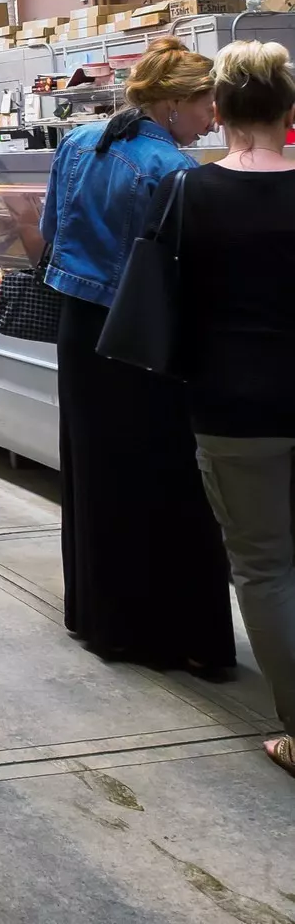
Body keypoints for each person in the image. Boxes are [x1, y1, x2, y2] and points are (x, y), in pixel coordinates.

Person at [40, 36, 233, 673]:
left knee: (95, 470)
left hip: (79, 327)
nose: (214, 117)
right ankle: (166, 633)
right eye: (207, 103)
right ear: (174, 104)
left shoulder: (76, 143)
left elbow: (49, 234)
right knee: (164, 478)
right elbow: (184, 270)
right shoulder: (173, 171)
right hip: (144, 335)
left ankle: (100, 617)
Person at [149, 41, 295, 775]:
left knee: (265, 567)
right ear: (288, 109)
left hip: (233, 404)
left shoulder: (190, 191)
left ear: (221, 112)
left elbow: (167, 301)